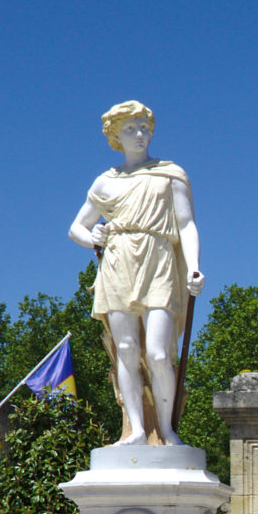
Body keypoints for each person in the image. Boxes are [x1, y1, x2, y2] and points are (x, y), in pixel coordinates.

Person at [68, 101, 203, 445]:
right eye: (131, 128)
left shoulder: (170, 174)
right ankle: (138, 430)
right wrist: (92, 237)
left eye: (144, 127)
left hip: (158, 260)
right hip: (117, 261)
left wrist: (196, 266)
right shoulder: (104, 182)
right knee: (125, 349)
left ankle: (168, 429)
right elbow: (75, 229)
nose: (140, 134)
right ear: (116, 135)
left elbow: (186, 224)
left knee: (158, 353)